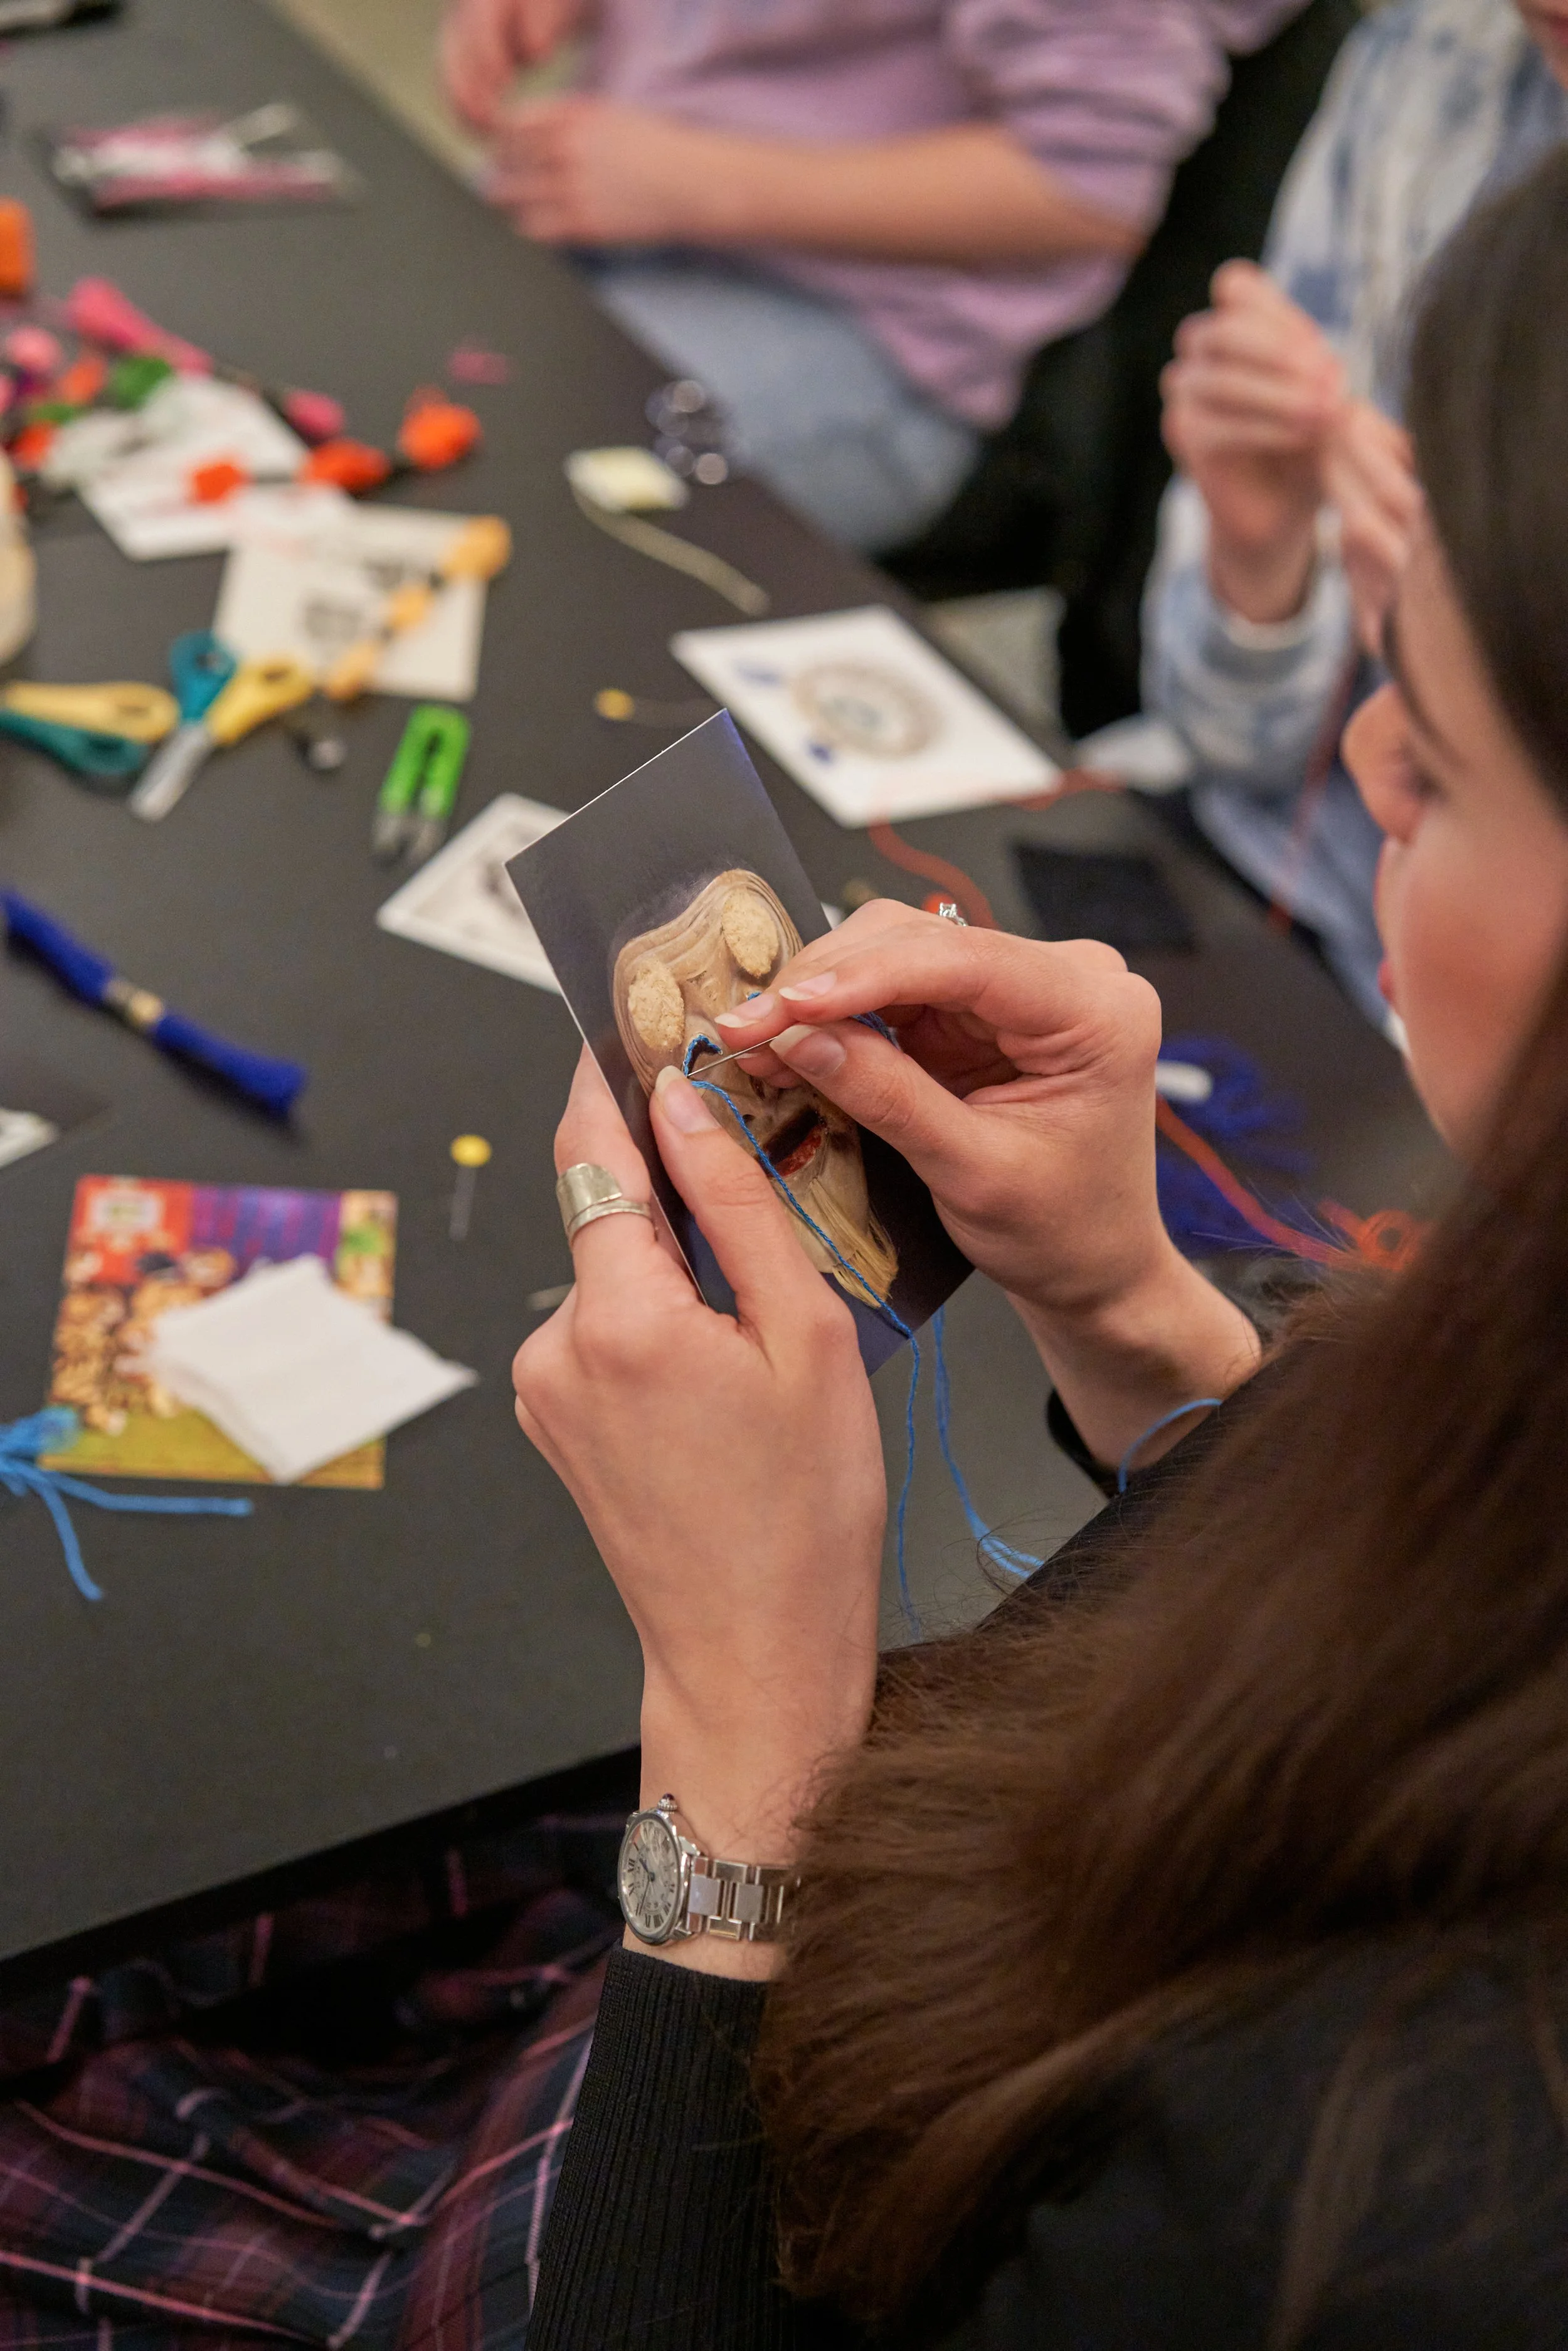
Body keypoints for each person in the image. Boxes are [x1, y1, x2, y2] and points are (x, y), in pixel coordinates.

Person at [521, 150, 1568, 2343]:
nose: (1363, 756)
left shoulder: (1394, 2184)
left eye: (1450, 757)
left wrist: (740, 1742)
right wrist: (1139, 1319)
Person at [440, 0, 1306, 553]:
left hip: (867, 328)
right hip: (626, 174)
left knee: (487, 493)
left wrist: (693, 185)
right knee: (393, 340)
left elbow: (1085, 190)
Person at [1145, 0, 1567, 1032]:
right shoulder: (1428, 57)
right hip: (1286, 890)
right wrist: (1261, 556)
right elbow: (1221, 742)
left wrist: (1465, 655)